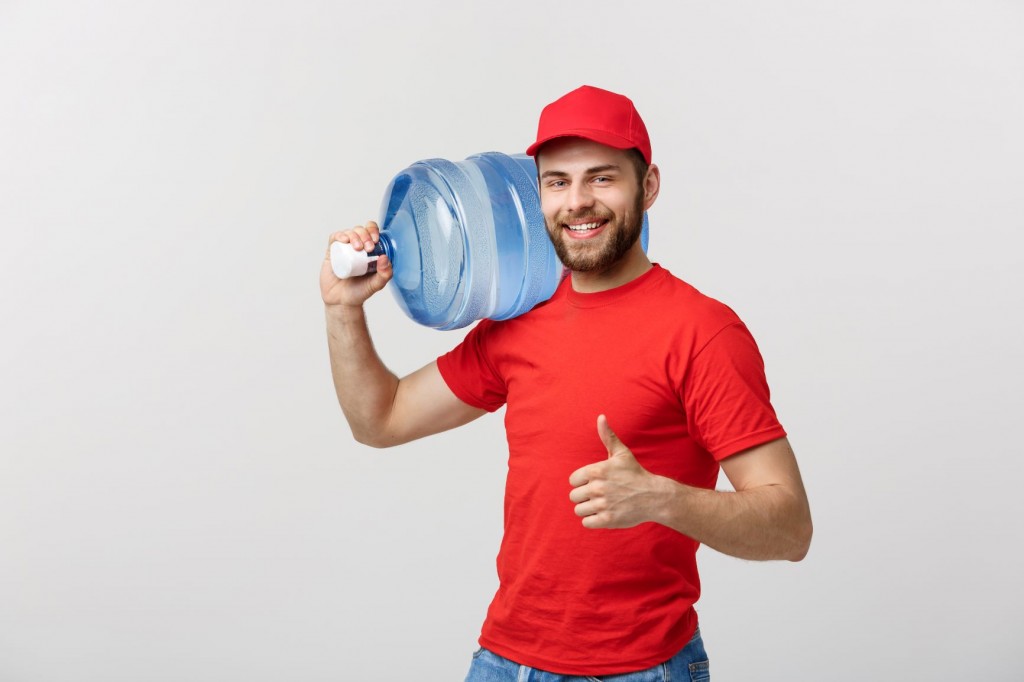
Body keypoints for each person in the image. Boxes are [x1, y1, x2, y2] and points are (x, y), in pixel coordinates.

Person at [320, 85, 812, 680]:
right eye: (557, 182)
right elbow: (381, 419)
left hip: (641, 668)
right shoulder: (521, 318)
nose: (577, 203)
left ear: (648, 186)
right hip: (504, 660)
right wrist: (343, 309)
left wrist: (662, 498)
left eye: (602, 179)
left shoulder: (702, 332)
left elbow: (789, 528)